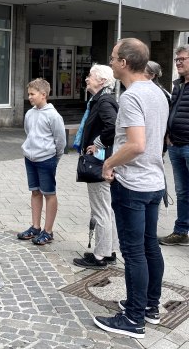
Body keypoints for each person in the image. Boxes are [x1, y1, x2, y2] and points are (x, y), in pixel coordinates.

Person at [93, 38, 168, 339]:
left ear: (124, 63)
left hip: (133, 185)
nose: (110, 62)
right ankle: (149, 306)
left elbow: (136, 145)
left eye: (112, 58)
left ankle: (133, 318)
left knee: (135, 253)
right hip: (155, 182)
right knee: (150, 246)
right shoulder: (158, 92)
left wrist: (108, 163)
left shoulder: (132, 97)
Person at [72, 64, 119, 270]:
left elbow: (114, 125)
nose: (86, 79)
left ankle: (100, 256)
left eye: (90, 76)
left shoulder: (104, 101)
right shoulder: (100, 100)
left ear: (101, 81)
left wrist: (97, 143)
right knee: (106, 210)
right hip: (102, 161)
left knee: (101, 211)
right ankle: (107, 251)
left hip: (99, 163)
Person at [17, 78, 66, 246]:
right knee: (35, 192)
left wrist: (54, 158)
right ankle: (35, 227)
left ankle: (48, 231)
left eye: (32, 94)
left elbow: (60, 141)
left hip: (47, 159)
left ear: (43, 95)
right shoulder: (30, 113)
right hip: (30, 158)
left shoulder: (53, 116)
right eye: (28, 94)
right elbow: (28, 132)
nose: (29, 97)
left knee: (49, 194)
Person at [159, 45, 189, 246]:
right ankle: (181, 231)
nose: (178, 62)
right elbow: (172, 111)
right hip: (176, 145)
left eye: (182, 59)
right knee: (182, 192)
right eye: (177, 59)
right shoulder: (178, 85)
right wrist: (168, 134)